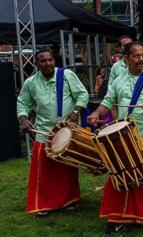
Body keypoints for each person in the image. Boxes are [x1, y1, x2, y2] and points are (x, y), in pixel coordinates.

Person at [87, 42, 143, 236]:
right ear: (126, 59)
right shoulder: (118, 80)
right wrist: (95, 113)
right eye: (136, 56)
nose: (141, 59)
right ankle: (116, 219)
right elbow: (108, 102)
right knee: (119, 176)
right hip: (124, 136)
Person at [17, 50, 89, 216]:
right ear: (36, 64)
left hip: (67, 130)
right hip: (44, 131)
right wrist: (23, 119)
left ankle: (70, 199)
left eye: (50, 60)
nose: (47, 63)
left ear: (54, 61)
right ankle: (44, 203)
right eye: (43, 61)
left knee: (67, 168)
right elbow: (23, 103)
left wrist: (76, 112)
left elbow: (82, 94)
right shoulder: (31, 82)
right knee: (43, 169)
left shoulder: (66, 75)